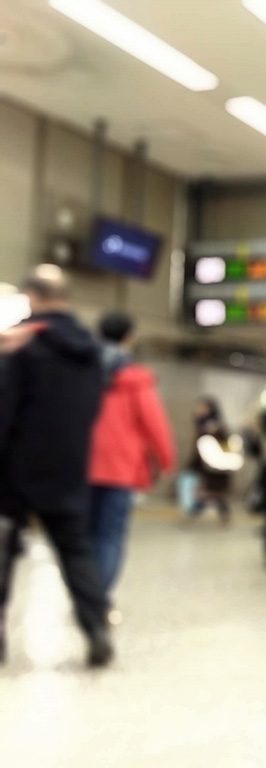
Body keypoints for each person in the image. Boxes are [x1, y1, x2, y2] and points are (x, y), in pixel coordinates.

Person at [0, 265, 113, 667]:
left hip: (14, 470)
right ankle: (97, 628)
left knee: (2, 553)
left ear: (32, 296)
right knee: (76, 553)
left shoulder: (23, 346)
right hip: (68, 466)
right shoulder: (92, 353)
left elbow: (4, 410)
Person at [88, 311, 175, 605]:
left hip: (81, 466)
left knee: (84, 535)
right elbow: (154, 424)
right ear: (129, 337)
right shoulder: (135, 379)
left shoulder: (81, 371)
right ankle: (98, 599)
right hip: (120, 469)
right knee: (109, 536)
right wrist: (165, 461)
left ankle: (85, 592)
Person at [187, 396, 237, 524]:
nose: (198, 410)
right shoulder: (201, 424)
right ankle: (193, 513)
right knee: (206, 492)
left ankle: (220, 516)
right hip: (204, 466)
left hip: (215, 467)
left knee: (214, 493)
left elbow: (226, 446)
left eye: (202, 407)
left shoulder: (216, 426)